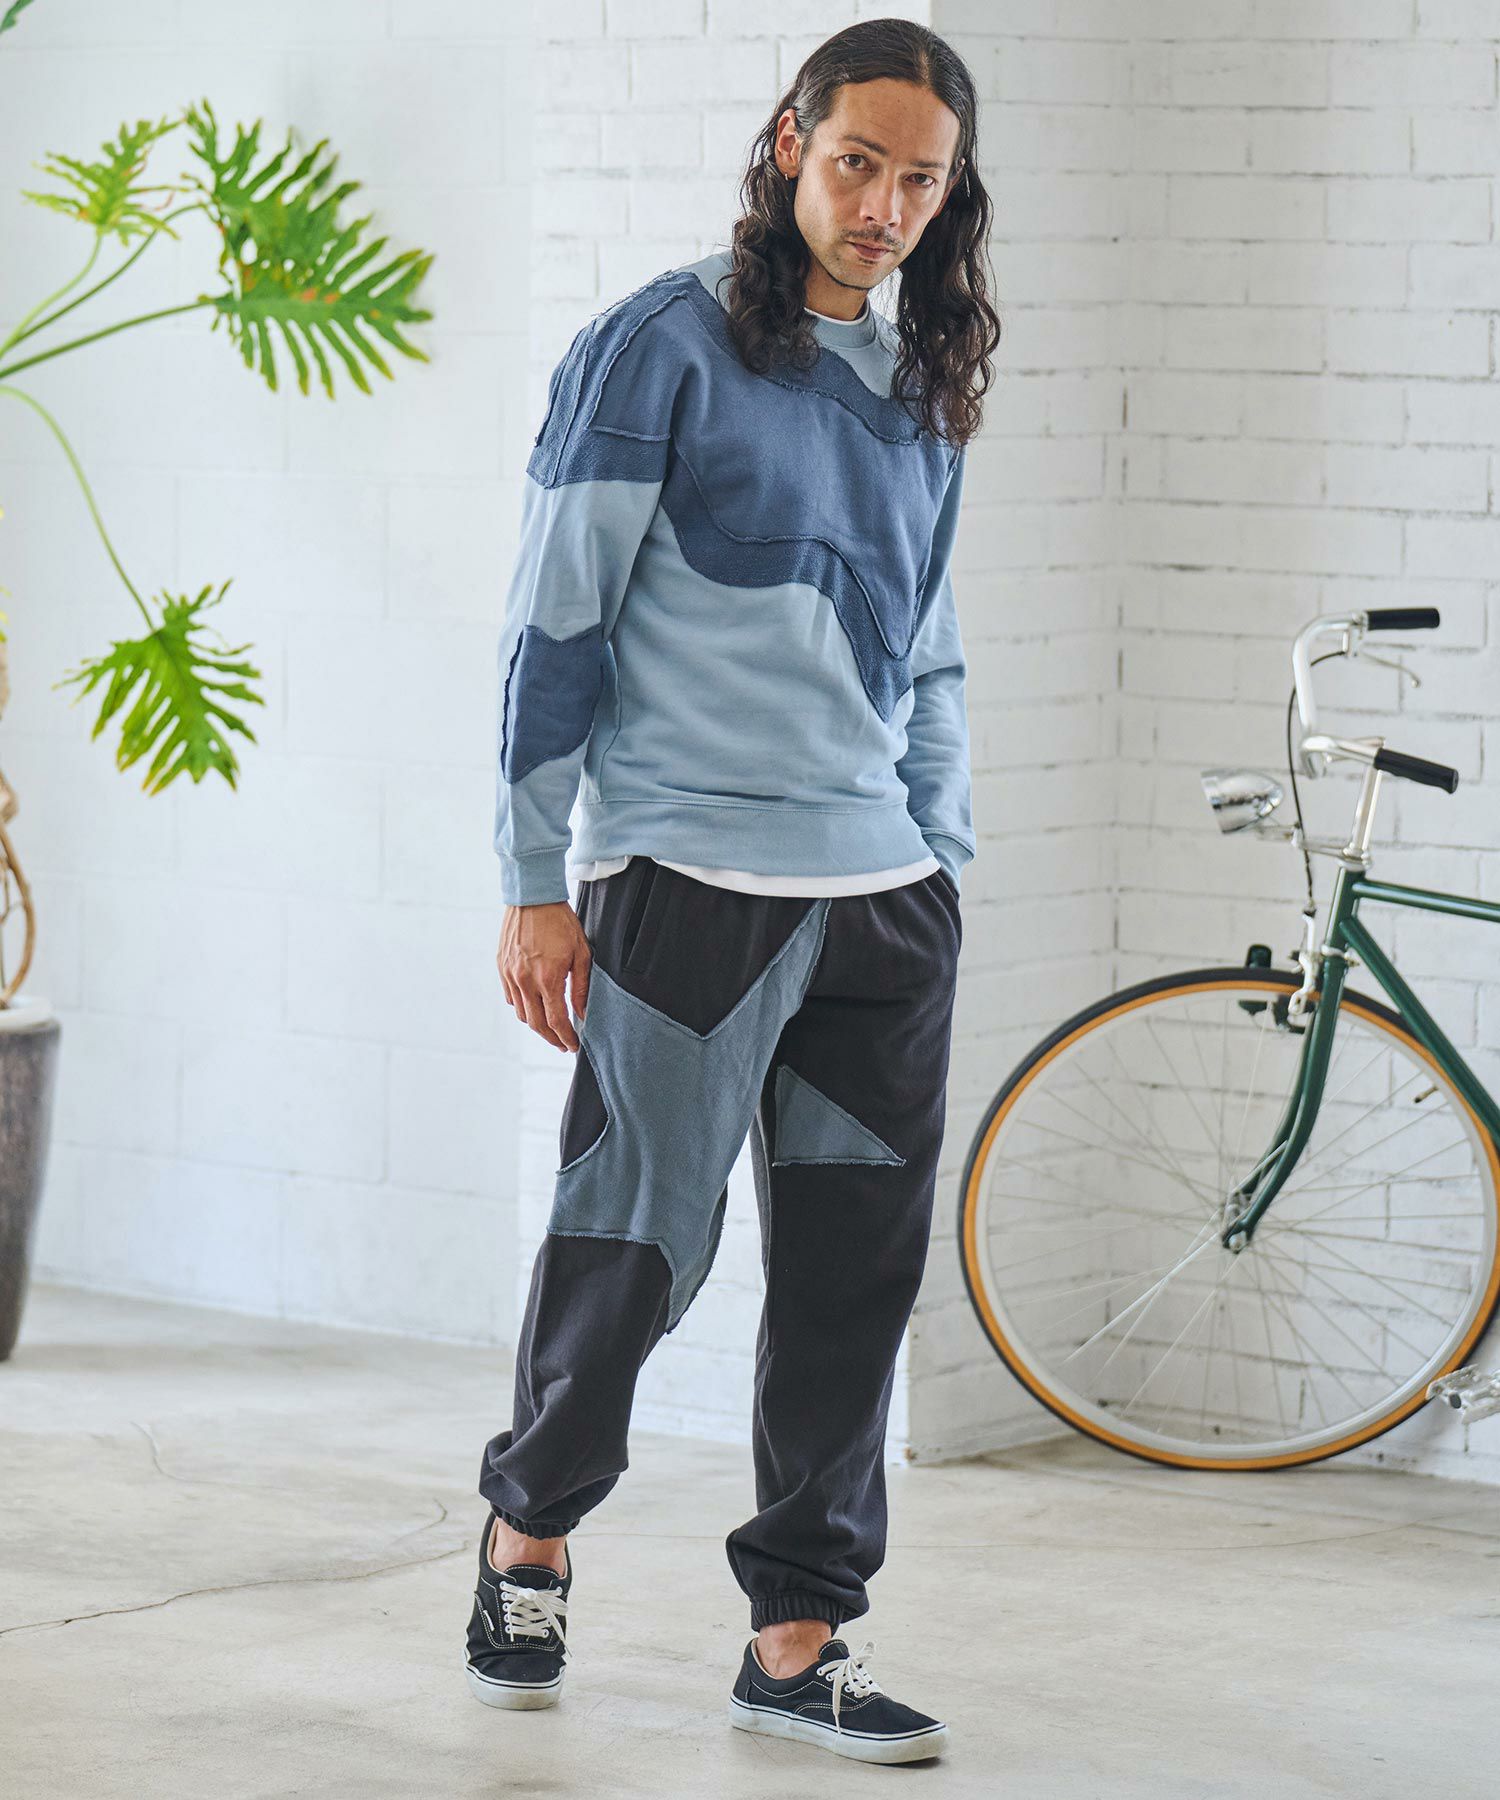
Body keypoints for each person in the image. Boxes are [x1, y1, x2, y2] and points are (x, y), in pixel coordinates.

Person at [465, 17, 999, 1766]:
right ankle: (528, 1533)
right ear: (789, 145)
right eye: (858, 162)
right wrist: (536, 879)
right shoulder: (659, 345)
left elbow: (929, 650)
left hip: (881, 904)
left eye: (920, 178)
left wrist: (939, 853)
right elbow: (555, 623)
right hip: (688, 881)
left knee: (853, 1280)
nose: (885, 204)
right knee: (636, 1247)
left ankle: (799, 1638)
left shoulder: (919, 378)